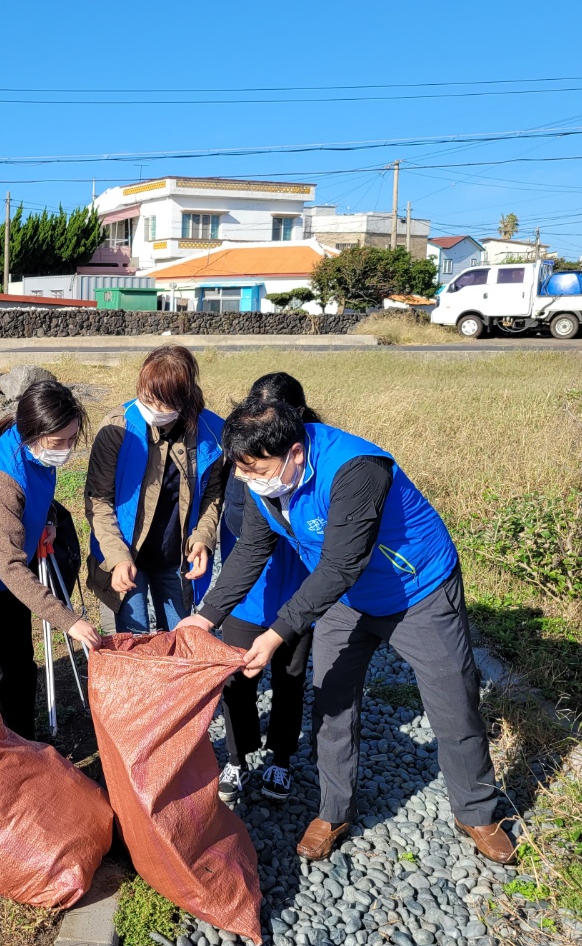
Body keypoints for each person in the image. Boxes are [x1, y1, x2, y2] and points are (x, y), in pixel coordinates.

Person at [182, 396, 515, 865]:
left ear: (296, 453)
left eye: (255, 469)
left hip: (416, 591)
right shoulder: (263, 482)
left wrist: (276, 633)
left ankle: (478, 812)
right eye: (241, 469)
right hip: (342, 598)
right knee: (333, 703)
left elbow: (342, 563)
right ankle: (333, 809)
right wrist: (207, 615)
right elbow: (252, 550)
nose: (246, 479)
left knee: (453, 702)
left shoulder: (357, 469)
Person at [0, 379, 102, 739]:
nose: (67, 450)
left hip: (6, 571)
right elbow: (9, 567)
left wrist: (49, 520)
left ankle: (25, 744)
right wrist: (67, 620)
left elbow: (41, 492)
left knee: (21, 665)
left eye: (73, 439)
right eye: (60, 442)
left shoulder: (37, 445)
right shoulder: (1, 478)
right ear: (32, 433)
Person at [199, 373, 316, 807]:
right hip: (247, 591)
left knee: (289, 677)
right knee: (238, 677)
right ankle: (237, 756)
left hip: (299, 592)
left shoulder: (309, 463)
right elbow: (227, 520)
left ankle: (281, 758)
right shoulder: (242, 460)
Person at [84, 345, 226, 633]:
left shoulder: (212, 433)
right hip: (127, 553)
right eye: (145, 398)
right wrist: (117, 557)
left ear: (182, 400)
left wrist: (203, 538)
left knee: (177, 637)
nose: (150, 409)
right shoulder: (117, 428)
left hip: (175, 559)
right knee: (131, 638)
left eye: (160, 403)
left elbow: (214, 496)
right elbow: (98, 501)